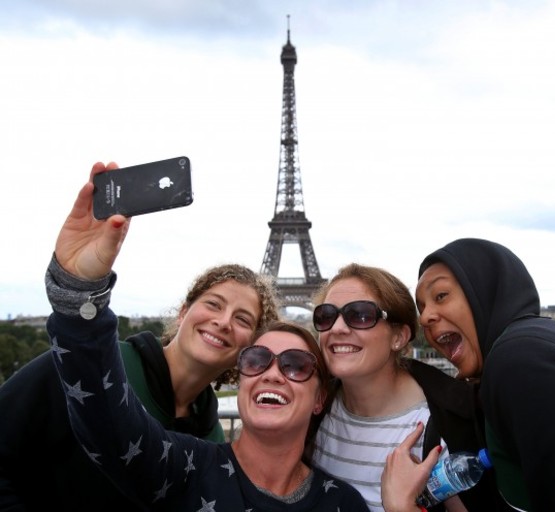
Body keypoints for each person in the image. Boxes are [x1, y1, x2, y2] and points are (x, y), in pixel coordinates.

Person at [41, 161, 369, 511]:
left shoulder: (343, 502)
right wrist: (79, 290)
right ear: (241, 378)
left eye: (296, 365)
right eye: (256, 361)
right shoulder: (185, 466)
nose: (272, 373)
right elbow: (110, 426)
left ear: (320, 398)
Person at [0, 163, 280, 511]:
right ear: (183, 313)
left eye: (242, 319)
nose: (223, 322)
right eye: (213, 304)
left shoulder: (211, 438)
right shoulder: (86, 367)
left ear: (249, 348)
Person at [403, 237, 555, 511]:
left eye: (441, 296)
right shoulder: (543, 342)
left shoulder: (522, 363)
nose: (425, 318)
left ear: (485, 291)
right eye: (422, 308)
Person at [309, 263, 507, 511]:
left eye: (360, 315)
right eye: (326, 315)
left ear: (399, 337)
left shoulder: (446, 428)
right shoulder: (310, 412)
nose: (337, 328)